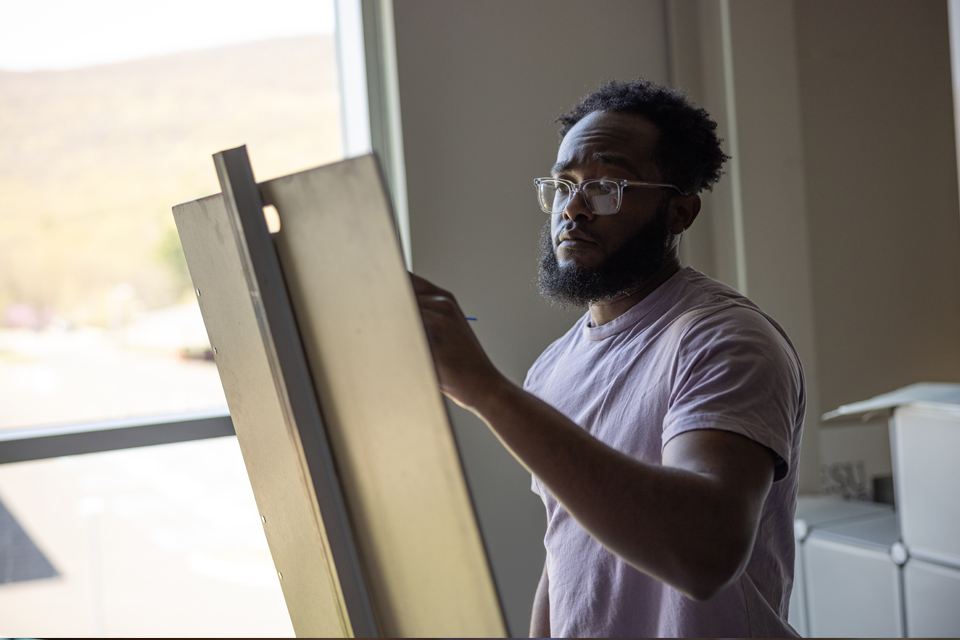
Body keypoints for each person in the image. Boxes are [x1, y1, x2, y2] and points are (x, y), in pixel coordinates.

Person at [412, 78, 804, 638]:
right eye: (564, 184)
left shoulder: (725, 340)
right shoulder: (552, 366)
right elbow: (567, 555)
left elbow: (705, 554)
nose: (573, 209)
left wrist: (488, 392)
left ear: (679, 213)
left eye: (607, 187)